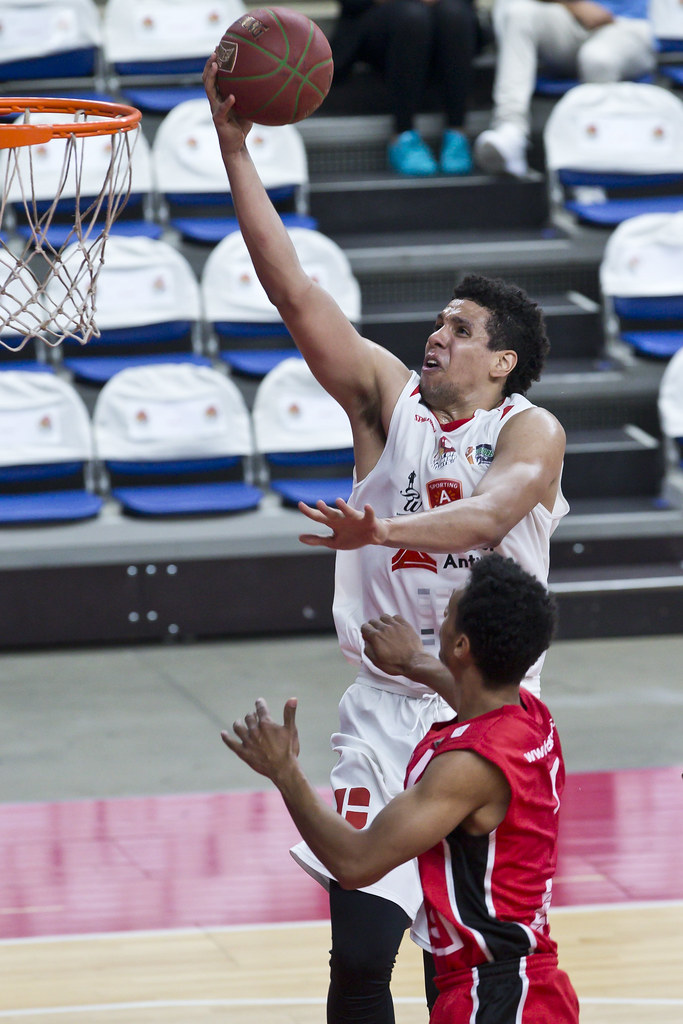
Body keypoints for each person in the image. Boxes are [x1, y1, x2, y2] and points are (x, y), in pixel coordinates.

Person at [203, 59, 568, 1024]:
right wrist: (237, 148)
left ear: (503, 362)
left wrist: (383, 529)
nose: (434, 335)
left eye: (459, 328)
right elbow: (294, 295)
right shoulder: (384, 399)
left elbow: (491, 515)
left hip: (489, 715)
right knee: (360, 954)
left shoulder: (530, 431)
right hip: (384, 709)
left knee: (486, 951)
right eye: (438, 320)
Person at [222, 553, 580, 1024]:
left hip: (490, 999)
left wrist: (285, 772)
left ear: (460, 646)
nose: (436, 623)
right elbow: (472, 698)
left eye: (446, 616)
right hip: (534, 989)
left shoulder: (466, 768)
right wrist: (414, 661)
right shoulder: (533, 719)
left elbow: (355, 863)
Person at [474, 0, 656, 177]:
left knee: (597, 59)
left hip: (630, 24)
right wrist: (574, 4)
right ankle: (511, 131)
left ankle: (596, 159)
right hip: (573, 17)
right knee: (518, 12)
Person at [329, 0, 478, 176]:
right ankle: (403, 135)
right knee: (413, 16)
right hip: (378, 18)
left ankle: (457, 133)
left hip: (442, 19)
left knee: (454, 14)